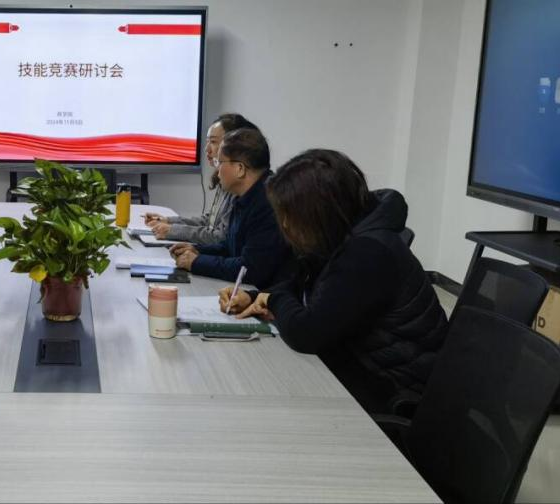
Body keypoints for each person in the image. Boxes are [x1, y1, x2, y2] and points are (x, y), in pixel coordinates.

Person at [219, 149, 447, 414]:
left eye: (289, 215)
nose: (285, 225)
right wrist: (255, 295)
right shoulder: (342, 235)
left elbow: (306, 333)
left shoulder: (367, 253)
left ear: (318, 212)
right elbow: (299, 284)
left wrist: (273, 299)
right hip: (362, 367)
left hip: (393, 390)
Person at [169, 128, 292, 288]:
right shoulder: (244, 195)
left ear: (240, 169)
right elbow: (231, 246)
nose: (217, 171)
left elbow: (249, 269)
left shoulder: (268, 203)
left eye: (220, 162)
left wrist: (196, 262)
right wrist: (197, 250)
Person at [143, 113, 258, 245]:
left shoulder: (238, 185)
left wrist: (173, 230)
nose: (206, 149)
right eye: (207, 141)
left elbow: (220, 237)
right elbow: (210, 222)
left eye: (213, 142)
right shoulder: (225, 178)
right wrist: (169, 221)